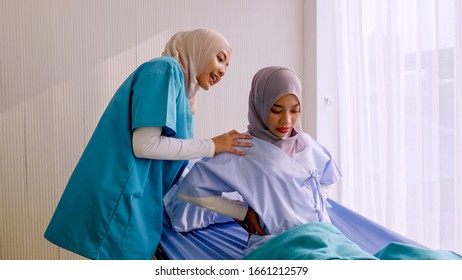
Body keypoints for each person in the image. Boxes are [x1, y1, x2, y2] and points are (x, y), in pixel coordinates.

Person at [44, 28, 252, 260]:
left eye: (227, 66)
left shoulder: (183, 94)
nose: (223, 70)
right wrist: (213, 145)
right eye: (220, 58)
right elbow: (145, 145)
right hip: (120, 195)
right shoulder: (165, 70)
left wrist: (237, 209)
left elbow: (176, 164)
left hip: (138, 200)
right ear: (199, 50)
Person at [167, 66, 342, 255]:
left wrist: (309, 205)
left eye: (295, 110)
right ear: (260, 106)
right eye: (276, 110)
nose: (287, 121)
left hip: (326, 236)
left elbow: (328, 178)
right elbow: (190, 192)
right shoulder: (243, 148)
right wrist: (242, 212)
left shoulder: (306, 143)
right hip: (281, 247)